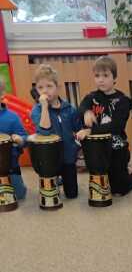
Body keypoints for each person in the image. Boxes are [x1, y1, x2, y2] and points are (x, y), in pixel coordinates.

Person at [77, 56, 132, 196]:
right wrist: (86, 112)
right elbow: (81, 108)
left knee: (119, 189)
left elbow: (116, 127)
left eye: (105, 75)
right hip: (98, 149)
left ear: (114, 78)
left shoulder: (122, 101)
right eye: (97, 76)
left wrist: (91, 131)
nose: (101, 80)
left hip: (117, 149)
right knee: (102, 183)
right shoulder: (91, 97)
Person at [31, 64, 81, 199]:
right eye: (40, 87)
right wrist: (44, 107)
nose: (45, 91)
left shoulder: (69, 108)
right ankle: (55, 180)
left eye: (49, 86)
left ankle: (64, 180)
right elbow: (45, 131)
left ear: (58, 88)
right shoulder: (37, 110)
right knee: (51, 197)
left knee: (72, 194)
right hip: (49, 159)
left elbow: (78, 128)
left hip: (68, 157)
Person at [0, 76, 28, 201]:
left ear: (2, 95)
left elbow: (25, 139)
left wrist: (20, 140)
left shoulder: (12, 117)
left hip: (10, 165)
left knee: (19, 195)